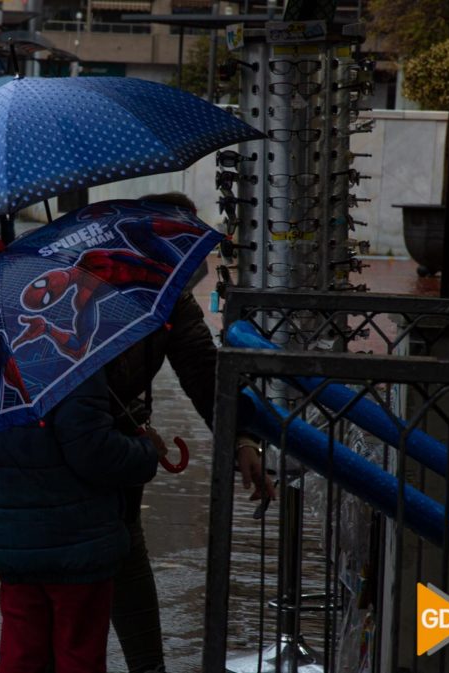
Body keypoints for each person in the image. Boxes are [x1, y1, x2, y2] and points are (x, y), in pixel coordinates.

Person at [104, 191, 273, 673]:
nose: (194, 258)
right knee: (72, 619)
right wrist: (134, 436)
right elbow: (80, 404)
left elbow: (202, 370)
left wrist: (241, 439)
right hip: (82, 466)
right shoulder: (90, 292)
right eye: (184, 243)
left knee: (132, 600)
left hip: (119, 468)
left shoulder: (168, 294)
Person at [0, 368, 166, 673]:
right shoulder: (72, 369)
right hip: (78, 546)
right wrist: (148, 452)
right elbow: (97, 455)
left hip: (15, 552)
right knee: (78, 653)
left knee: (22, 656)